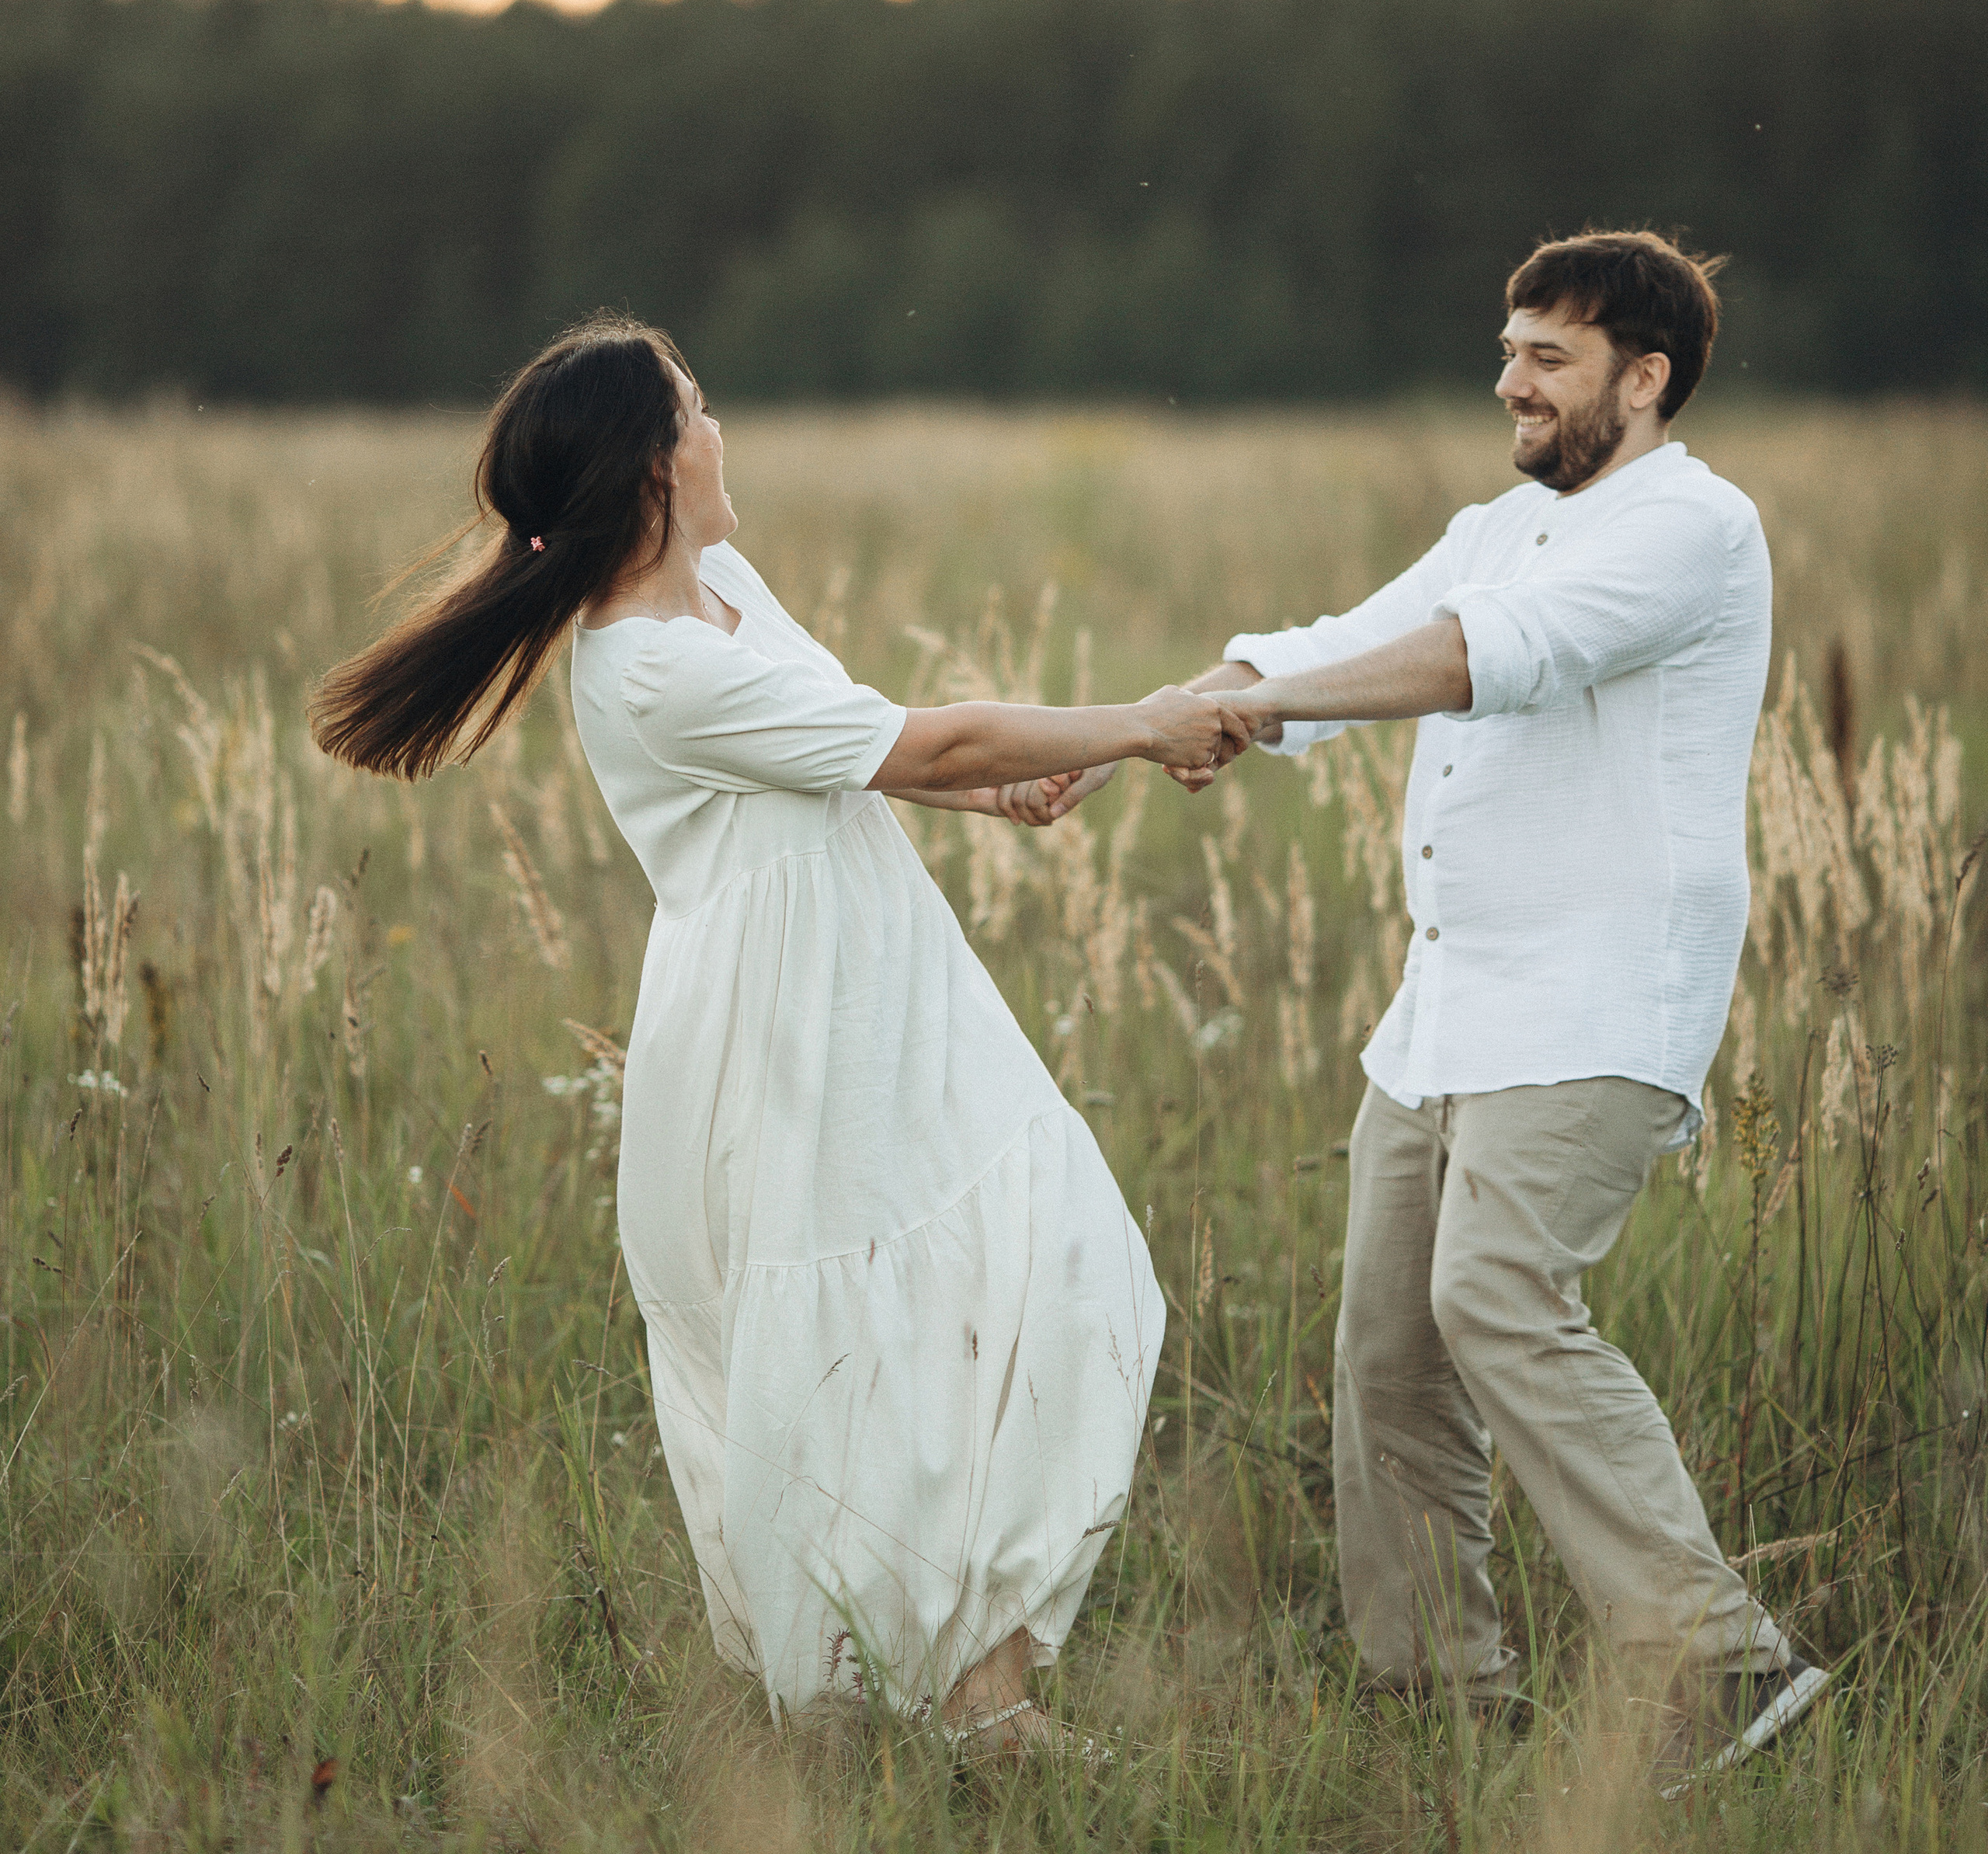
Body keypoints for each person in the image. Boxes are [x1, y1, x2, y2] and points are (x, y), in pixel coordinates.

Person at [311, 317, 1247, 1748]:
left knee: (1047, 1263)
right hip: (787, 1020)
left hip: (875, 979)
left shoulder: (722, 593)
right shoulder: (645, 666)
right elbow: (918, 741)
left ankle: (957, 1691)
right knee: (869, 1338)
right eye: (697, 410)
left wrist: (999, 794)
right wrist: (1139, 722)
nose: (719, 429)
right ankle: (941, 1706)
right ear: (651, 469)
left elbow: (851, 741)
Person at [1058, 231, 1829, 1774]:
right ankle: (1437, 1707)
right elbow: (1343, 642)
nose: (1508, 382)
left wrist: (1250, 705)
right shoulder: (1492, 525)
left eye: (1546, 357)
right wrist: (1143, 719)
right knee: (1389, 1351)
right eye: (1507, 350)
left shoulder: (1692, 529)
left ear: (1643, 376)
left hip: (1599, 996)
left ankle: (1725, 1664)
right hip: (1448, 1007)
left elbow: (1493, 659)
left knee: (1494, 1295)